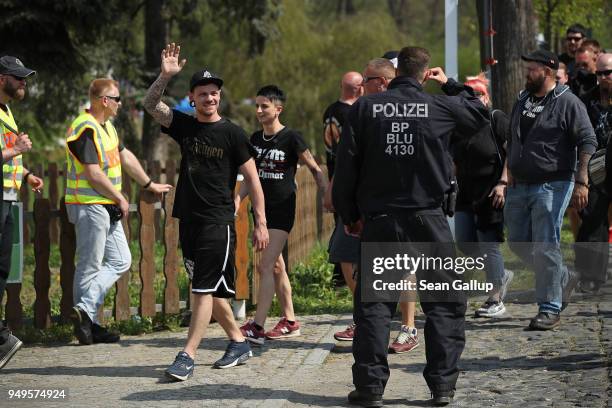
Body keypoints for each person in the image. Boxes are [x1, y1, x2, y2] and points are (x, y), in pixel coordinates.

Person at [334, 46, 489, 406]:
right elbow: (480, 117)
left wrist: (349, 215)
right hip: (429, 220)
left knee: (374, 306)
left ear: (395, 70)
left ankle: (370, 388)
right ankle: (442, 387)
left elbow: (346, 170)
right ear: (422, 73)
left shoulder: (365, 109)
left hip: (382, 220)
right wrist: (450, 84)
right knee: (444, 303)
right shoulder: (441, 106)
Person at [143, 43, 268, 381]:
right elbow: (150, 105)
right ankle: (239, 342)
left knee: (201, 289)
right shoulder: (184, 126)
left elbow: (254, 180)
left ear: (219, 96)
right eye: (203, 93)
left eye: (214, 93)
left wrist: (261, 223)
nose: (210, 98)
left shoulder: (233, 134)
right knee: (207, 290)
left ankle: (188, 354)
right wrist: (165, 76)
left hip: (218, 221)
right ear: (193, 97)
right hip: (189, 219)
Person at [66, 78, 172, 346]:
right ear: (104, 101)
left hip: (104, 206)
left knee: (121, 260)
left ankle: (86, 313)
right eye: (116, 98)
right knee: (89, 267)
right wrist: (120, 198)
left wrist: (148, 183)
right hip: (89, 205)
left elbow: (125, 158)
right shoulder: (84, 127)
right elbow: (92, 173)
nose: (120, 104)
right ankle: (89, 325)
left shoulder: (108, 128)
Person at [505, 49, 597, 330]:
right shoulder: (523, 100)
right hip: (520, 184)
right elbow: (512, 139)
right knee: (518, 243)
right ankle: (563, 278)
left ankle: (549, 307)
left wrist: (582, 180)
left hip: (553, 183)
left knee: (546, 245)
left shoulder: (568, 102)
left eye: (531, 69)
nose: (525, 74)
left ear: (547, 71)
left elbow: (587, 139)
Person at [237, 85, 327, 344]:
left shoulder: (292, 138)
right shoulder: (254, 140)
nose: (259, 111)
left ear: (278, 109)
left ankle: (257, 326)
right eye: (256, 106)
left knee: (265, 265)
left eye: (264, 106)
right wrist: (236, 199)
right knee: (276, 266)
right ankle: (290, 321)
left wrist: (327, 196)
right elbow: (249, 179)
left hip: (282, 209)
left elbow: (314, 168)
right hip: (261, 210)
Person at [446, 73, 513, 318]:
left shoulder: (496, 119)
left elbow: (512, 152)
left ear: (487, 98)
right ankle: (501, 274)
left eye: (479, 94)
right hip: (466, 193)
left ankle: (495, 298)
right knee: (465, 241)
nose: (475, 98)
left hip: (492, 192)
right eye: (470, 94)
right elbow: (453, 161)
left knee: (488, 243)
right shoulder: (459, 126)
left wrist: (503, 182)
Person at [0, 56, 42, 369]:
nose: (24, 82)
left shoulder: (7, 111)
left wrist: (26, 174)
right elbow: (8, 151)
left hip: (8, 197)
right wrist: (16, 150)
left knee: (3, 269)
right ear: (3, 79)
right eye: (19, 78)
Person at [322, 71, 363, 341]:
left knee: (348, 251)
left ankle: (365, 311)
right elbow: (345, 155)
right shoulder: (357, 113)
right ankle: (367, 311)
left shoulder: (330, 111)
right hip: (351, 186)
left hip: (341, 184)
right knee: (350, 251)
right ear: (359, 89)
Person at [574, 53, 612, 294]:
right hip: (597, 162)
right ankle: (591, 276)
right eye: (599, 73)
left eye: (608, 73)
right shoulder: (586, 101)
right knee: (592, 219)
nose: (603, 78)